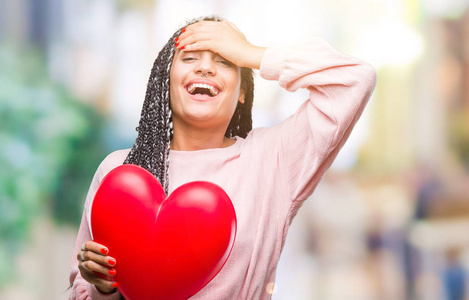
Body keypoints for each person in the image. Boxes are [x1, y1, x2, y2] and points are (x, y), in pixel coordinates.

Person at [69, 15, 376, 299]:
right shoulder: (119, 171)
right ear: (166, 79)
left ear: (243, 90)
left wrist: (253, 53)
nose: (205, 68)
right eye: (189, 58)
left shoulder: (273, 160)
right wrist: (104, 289)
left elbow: (354, 78)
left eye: (226, 61)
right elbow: (78, 292)